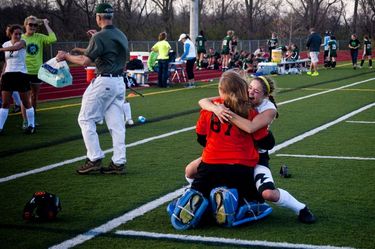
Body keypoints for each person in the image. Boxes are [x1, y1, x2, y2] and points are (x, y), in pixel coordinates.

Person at [186, 75, 316, 224]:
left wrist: (224, 112)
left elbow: (251, 128)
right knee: (190, 170)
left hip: (256, 157)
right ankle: (205, 200)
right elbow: (203, 101)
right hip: (234, 154)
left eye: (257, 91)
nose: (251, 93)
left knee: (268, 193)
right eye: (250, 88)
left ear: (265, 95)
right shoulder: (239, 99)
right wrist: (216, 107)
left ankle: (301, 208)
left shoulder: (268, 109)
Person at [56, 3, 130, 175]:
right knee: (117, 125)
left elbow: (85, 61)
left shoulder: (100, 37)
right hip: (119, 82)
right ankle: (119, 162)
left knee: (85, 119)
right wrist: (96, 38)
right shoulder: (120, 34)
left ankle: (94, 158)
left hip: (105, 81)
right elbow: (108, 54)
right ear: (111, 16)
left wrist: (65, 56)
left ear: (98, 18)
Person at [191, 71, 269, 203]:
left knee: (196, 196)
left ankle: (206, 203)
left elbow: (201, 137)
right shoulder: (250, 111)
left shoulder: (209, 109)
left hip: (210, 163)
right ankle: (228, 203)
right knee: (253, 202)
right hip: (241, 166)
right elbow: (265, 142)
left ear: (221, 90)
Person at [21, 16, 57, 128]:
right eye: (30, 24)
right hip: (23, 71)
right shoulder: (20, 37)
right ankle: (25, 121)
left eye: (35, 25)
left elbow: (53, 39)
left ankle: (32, 119)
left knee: (34, 97)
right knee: (25, 98)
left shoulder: (39, 37)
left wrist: (46, 24)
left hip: (37, 72)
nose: (32, 27)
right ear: (25, 25)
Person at [0, 24, 35, 134]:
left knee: (25, 103)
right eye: (16, 34)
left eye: (20, 33)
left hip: (21, 75)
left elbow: (17, 47)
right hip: (8, 75)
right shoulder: (6, 44)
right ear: (10, 34)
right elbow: (6, 62)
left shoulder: (23, 42)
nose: (19, 36)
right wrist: (2, 74)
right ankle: (0, 127)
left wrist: (1, 49)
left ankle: (31, 125)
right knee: (5, 103)